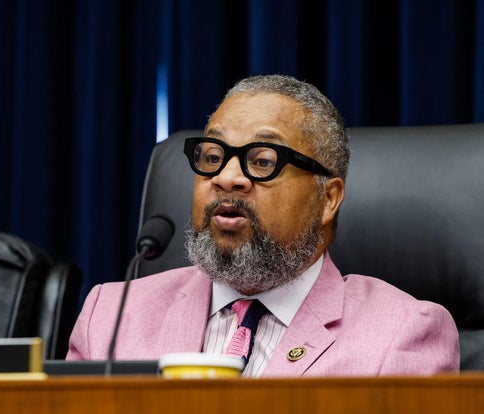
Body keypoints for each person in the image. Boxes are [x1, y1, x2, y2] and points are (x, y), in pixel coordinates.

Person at [66, 74, 459, 377]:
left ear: (328, 198)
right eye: (213, 155)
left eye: (263, 160)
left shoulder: (403, 333)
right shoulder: (112, 316)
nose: (227, 178)